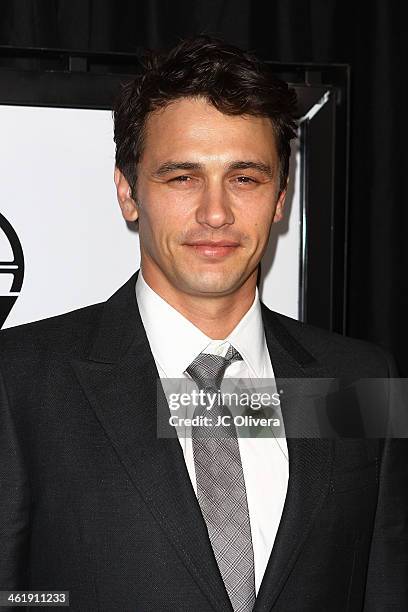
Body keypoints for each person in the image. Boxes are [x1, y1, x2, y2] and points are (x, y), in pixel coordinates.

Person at [0, 36, 406, 612]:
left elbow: (382, 585)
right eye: (182, 177)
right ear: (128, 193)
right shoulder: (18, 382)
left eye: (245, 178)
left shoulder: (361, 377)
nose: (215, 213)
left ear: (280, 198)